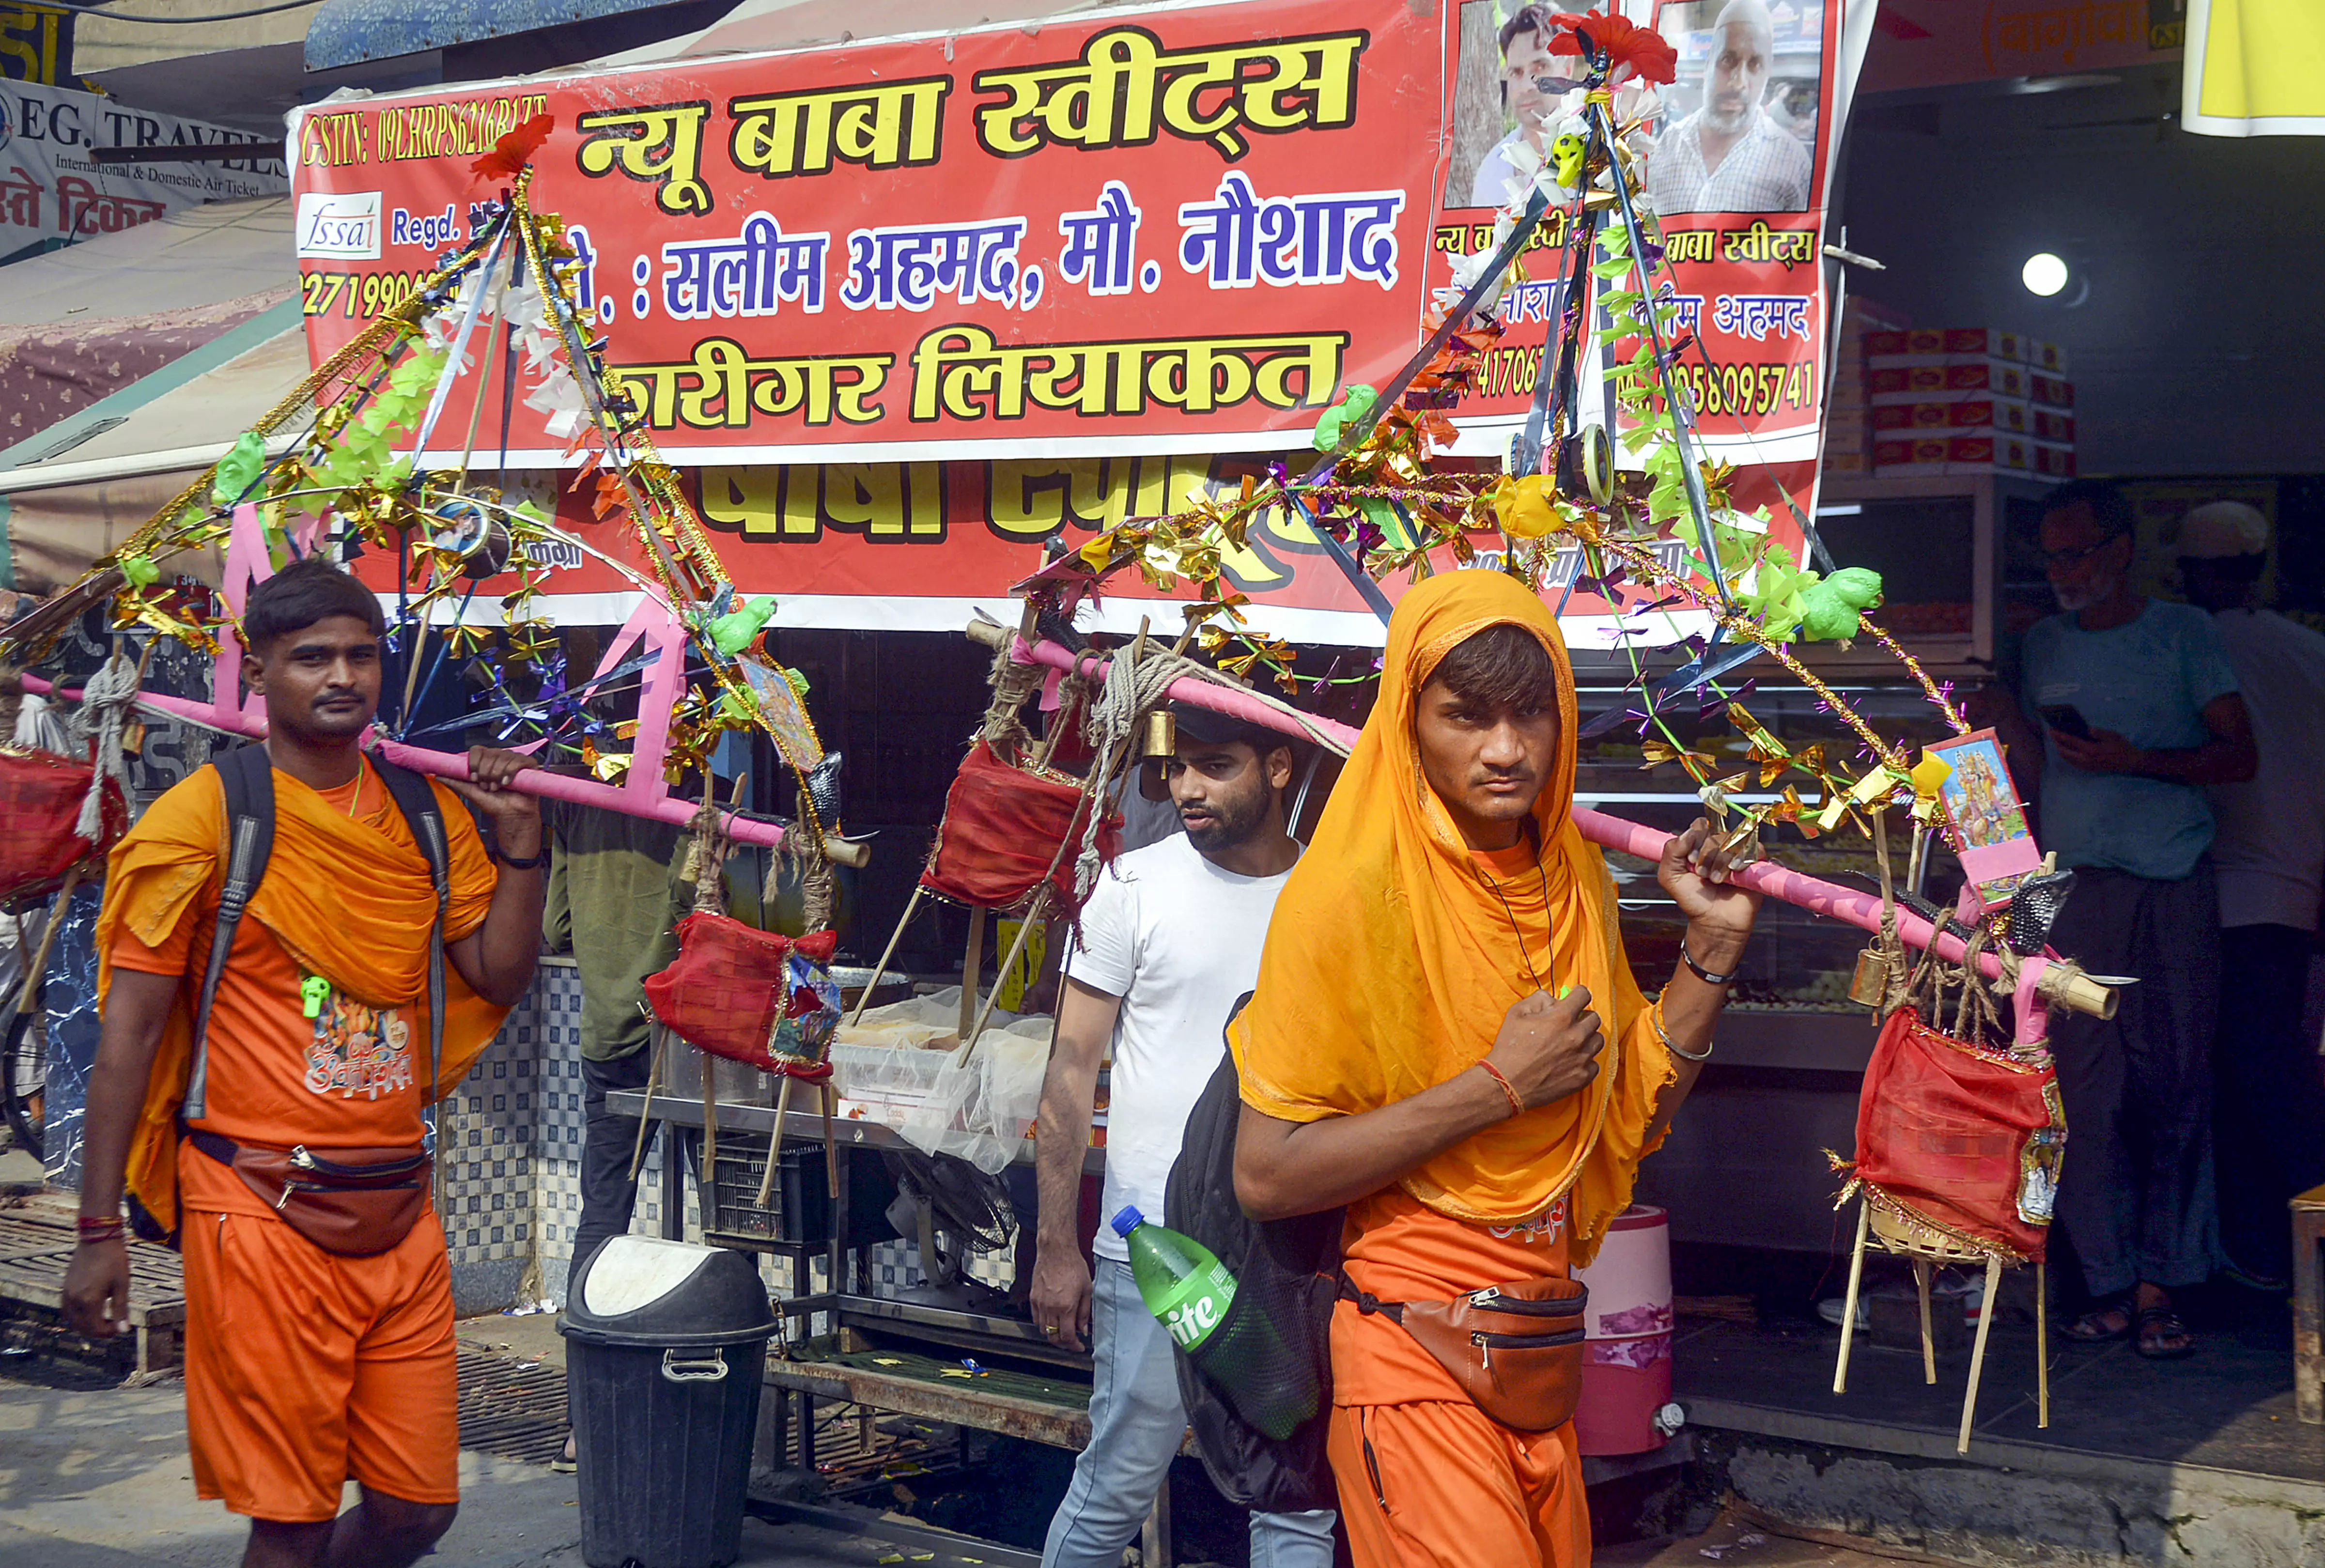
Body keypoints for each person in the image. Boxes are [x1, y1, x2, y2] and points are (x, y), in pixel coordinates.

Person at [1229, 571, 1759, 1568]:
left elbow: (1622, 1118)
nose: (1506, 750)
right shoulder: (1345, 894)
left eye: (1532, 714)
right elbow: (1265, 1173)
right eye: (1467, 717)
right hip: (1412, 1345)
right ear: (1408, 720)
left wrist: (1714, 947)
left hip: (1542, 1340)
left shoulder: (1575, 879)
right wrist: (1498, 1085)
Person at [62, 556, 548, 1568]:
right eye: (312, 656)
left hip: (400, 1206)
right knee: (288, 1523)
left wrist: (523, 853)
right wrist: (99, 1229)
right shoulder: (202, 816)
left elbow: (498, 976)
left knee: (420, 1510)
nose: (343, 676)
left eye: (362, 655)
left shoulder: (424, 814)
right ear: (259, 669)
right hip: (257, 1206)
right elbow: (129, 1040)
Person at [1029, 702, 1336, 1568]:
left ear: (1278, 768)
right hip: (1155, 1253)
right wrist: (1057, 1244)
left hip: (1285, 1251)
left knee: (1296, 1493)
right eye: (1176, 769)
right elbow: (1067, 1072)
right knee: (1119, 1480)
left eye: (1216, 766)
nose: (1186, 789)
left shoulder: (1329, 896)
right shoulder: (1131, 886)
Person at [1971, 479, 2255, 1359]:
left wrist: (2140, 760)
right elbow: (2021, 761)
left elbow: (2239, 754)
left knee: (2173, 1085)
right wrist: (1996, 716)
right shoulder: (2042, 642)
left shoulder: (2184, 634)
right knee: (2080, 1095)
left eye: (2078, 552)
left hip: (2169, 886)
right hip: (2065, 887)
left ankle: (2163, 1283)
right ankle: (2106, 1279)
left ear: (2122, 548)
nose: (2062, 572)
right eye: (2050, 556)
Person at [2175, 500, 2325, 1288]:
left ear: (2189, 572)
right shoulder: (2311, 652)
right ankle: (2270, 1256)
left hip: (2214, 891)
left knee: (2252, 1081)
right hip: (2295, 893)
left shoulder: (2183, 644)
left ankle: (2281, 1249)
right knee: (2272, 1072)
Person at [1647, 0, 1812, 215]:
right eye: (1728, 60)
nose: (1738, 82)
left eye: (1755, 64)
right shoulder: (1669, 145)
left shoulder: (1792, 159)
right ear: (1709, 64)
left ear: (1767, 72)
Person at [1469, 5, 1563, 208]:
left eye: (1540, 67)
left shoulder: (1597, 153)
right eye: (1516, 73)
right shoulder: (1492, 171)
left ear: (1568, 68)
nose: (1527, 86)